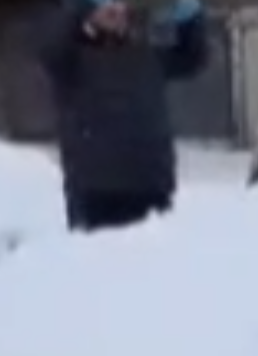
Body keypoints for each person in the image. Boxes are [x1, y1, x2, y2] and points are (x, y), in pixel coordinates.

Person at [39, 0, 208, 233]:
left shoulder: (146, 55)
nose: (115, 11)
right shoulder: (71, 57)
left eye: (120, 6)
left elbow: (192, 58)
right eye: (107, 6)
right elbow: (51, 43)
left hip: (151, 188)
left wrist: (190, 18)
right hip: (96, 195)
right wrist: (78, 8)